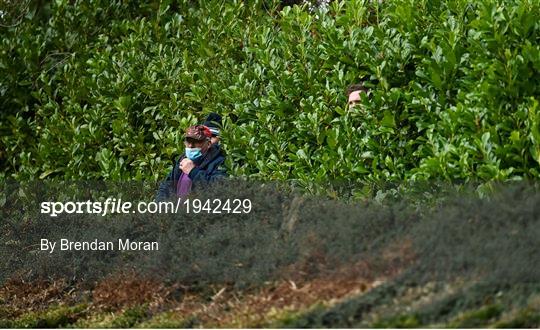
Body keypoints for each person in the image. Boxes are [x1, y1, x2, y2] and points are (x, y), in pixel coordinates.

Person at [156, 125, 226, 200]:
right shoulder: (182, 159)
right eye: (188, 141)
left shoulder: (219, 162)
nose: (190, 145)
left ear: (208, 144)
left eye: (196, 142)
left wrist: (193, 172)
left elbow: (219, 189)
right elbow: (167, 185)